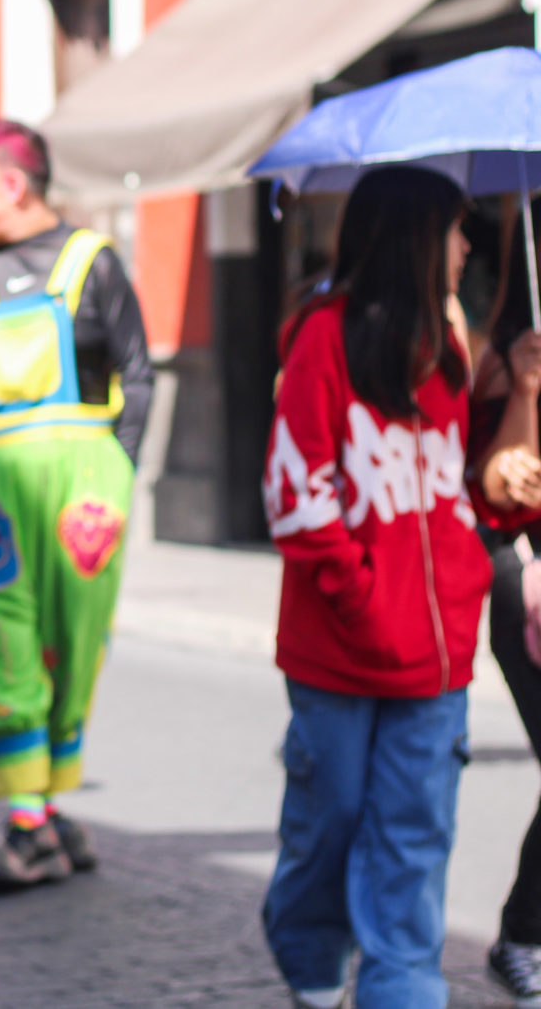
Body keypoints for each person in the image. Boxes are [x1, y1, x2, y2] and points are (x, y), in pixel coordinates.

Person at [261, 166, 491, 1009]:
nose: (468, 246)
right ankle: (312, 963)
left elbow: (454, 489)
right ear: (416, 238)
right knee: (330, 828)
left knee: (414, 840)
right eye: (457, 229)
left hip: (438, 658)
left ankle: (403, 990)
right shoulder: (322, 338)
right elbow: (297, 497)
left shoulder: (452, 344)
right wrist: (362, 599)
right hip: (340, 652)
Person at [0, 118, 154, 892]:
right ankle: (27, 813)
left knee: (71, 643)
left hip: (81, 492)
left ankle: (46, 808)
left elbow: (138, 372)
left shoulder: (94, 261)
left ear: (13, 185)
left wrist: (117, 469)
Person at [457, 203, 541, 1008]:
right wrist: (524, 390)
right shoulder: (505, 361)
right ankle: (522, 934)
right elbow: (499, 490)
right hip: (527, 580)